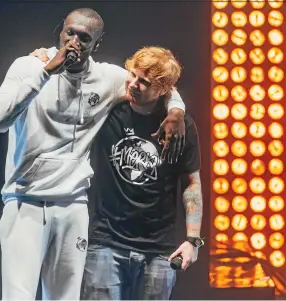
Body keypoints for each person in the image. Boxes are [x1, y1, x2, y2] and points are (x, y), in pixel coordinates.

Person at [0, 8, 187, 301]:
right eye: (69, 32)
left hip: (73, 205)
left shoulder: (108, 77)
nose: (74, 42)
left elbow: (158, 82)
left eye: (84, 37)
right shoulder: (28, 67)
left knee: (65, 297)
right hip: (25, 200)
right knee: (18, 296)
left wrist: (176, 110)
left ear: (97, 43)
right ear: (60, 30)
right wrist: (44, 74)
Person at [80, 46, 205, 300]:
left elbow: (191, 183)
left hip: (159, 250)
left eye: (144, 82)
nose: (133, 84)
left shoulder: (181, 127)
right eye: (132, 75)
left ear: (163, 90)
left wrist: (193, 241)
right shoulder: (111, 110)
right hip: (106, 242)